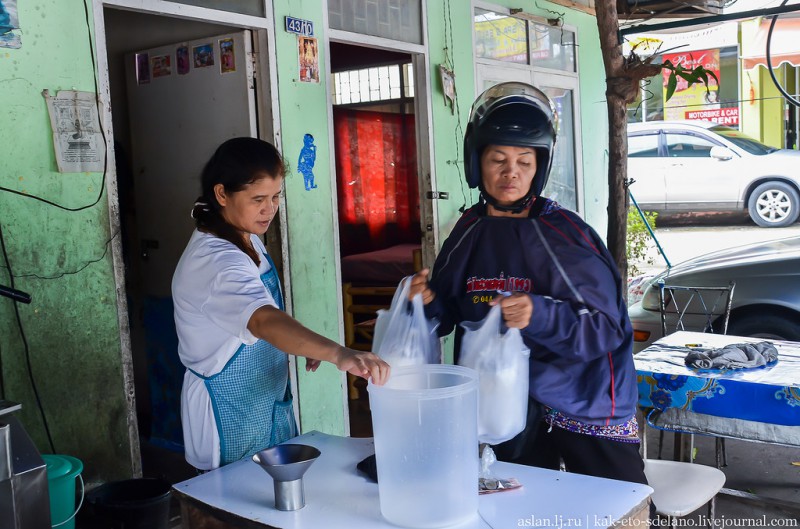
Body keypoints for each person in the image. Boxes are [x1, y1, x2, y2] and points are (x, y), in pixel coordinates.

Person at [408, 82, 650, 489]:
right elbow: (450, 311)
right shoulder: (468, 230)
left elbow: (607, 329)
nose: (511, 173)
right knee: (518, 510)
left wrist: (540, 314)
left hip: (585, 404)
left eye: (524, 161)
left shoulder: (565, 235)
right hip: (504, 403)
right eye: (497, 159)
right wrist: (425, 304)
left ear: (540, 166)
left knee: (622, 511)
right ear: (476, 163)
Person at [172, 137, 390, 471]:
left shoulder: (246, 239)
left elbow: (260, 314)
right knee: (233, 508)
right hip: (227, 415)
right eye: (258, 198)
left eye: (275, 197)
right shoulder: (215, 260)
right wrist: (337, 353)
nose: (270, 208)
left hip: (263, 404)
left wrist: (306, 345)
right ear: (221, 194)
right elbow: (261, 320)